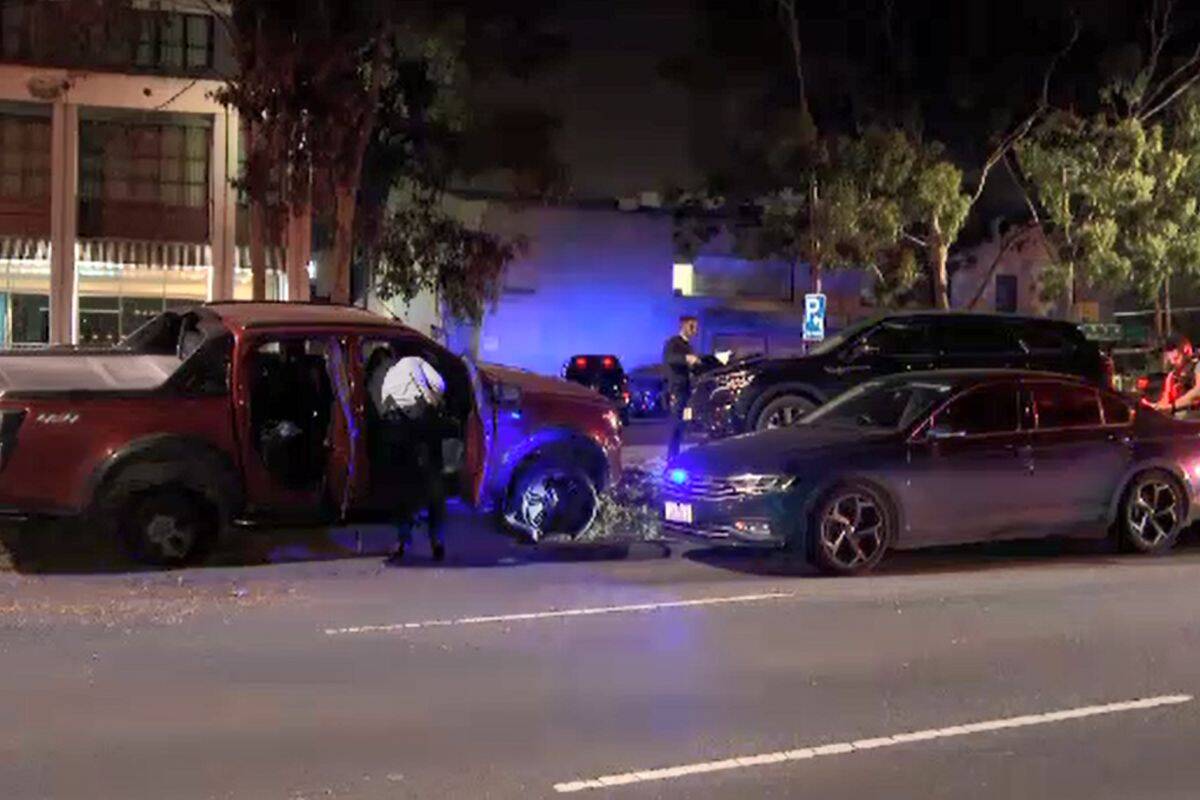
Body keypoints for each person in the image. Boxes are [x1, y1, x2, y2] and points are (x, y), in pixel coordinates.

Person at [367, 346, 450, 564]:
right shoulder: (416, 363)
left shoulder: (380, 376)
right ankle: (436, 540)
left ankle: (403, 539)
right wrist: (434, 399)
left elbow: (379, 408)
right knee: (433, 484)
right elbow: (440, 385)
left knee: (403, 485)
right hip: (420, 426)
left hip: (395, 428)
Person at [663, 315, 702, 458]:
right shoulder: (673, 343)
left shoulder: (689, 346)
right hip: (677, 389)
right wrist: (686, 359)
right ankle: (671, 457)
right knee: (676, 424)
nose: (694, 330)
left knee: (683, 424)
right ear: (683, 326)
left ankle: (677, 455)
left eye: (696, 327)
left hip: (687, 389)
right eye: (691, 326)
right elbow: (670, 359)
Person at [1151, 333, 1200, 418]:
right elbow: (1165, 402)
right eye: (1167, 351)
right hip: (1178, 424)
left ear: (1186, 348)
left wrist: (1173, 406)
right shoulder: (1171, 377)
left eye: (1172, 349)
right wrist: (1156, 408)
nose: (1170, 355)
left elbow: (1198, 392)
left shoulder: (1197, 366)